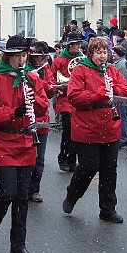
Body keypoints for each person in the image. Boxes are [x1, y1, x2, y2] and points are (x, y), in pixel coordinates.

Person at [0, 35, 49, 253]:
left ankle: (18, 245)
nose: (22, 60)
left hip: (26, 141)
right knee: (8, 192)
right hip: (3, 140)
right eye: (18, 55)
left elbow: (42, 107)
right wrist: (14, 112)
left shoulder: (31, 77)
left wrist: (33, 100)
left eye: (24, 55)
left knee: (21, 196)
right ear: (8, 56)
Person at [62, 37, 127, 223]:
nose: (103, 56)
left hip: (110, 126)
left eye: (105, 52)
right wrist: (96, 95)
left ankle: (108, 208)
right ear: (90, 53)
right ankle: (73, 194)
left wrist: (114, 88)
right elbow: (74, 97)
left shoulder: (111, 69)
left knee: (110, 170)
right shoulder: (80, 70)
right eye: (99, 52)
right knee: (89, 167)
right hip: (87, 127)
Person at [26, 40, 55, 202]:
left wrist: (41, 81)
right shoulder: (25, 71)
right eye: (39, 57)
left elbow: (49, 92)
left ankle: (34, 190)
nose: (43, 60)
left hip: (42, 119)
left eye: (44, 57)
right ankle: (24, 188)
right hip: (27, 119)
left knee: (40, 159)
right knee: (28, 158)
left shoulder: (45, 69)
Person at [54, 31, 84, 172]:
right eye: (77, 45)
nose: (79, 47)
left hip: (78, 99)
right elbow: (53, 77)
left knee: (77, 132)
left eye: (79, 44)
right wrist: (57, 88)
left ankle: (73, 159)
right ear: (70, 45)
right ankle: (63, 157)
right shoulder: (60, 60)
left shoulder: (82, 59)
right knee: (68, 130)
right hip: (65, 99)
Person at [111, 46, 127, 148]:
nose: (112, 55)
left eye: (114, 53)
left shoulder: (122, 65)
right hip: (120, 93)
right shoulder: (120, 64)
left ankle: (124, 137)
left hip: (121, 95)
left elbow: (125, 80)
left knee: (122, 115)